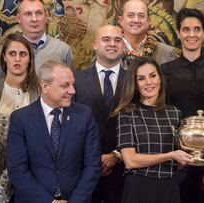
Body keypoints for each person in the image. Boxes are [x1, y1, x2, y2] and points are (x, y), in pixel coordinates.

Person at [7, 60, 101, 203]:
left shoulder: (85, 115)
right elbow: (17, 169)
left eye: (72, 84)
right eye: (65, 86)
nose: (72, 91)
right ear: (45, 86)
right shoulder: (20, 119)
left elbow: (93, 165)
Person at [161, 8, 204, 203]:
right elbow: (164, 112)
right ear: (178, 33)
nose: (192, 35)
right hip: (177, 161)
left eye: (197, 29)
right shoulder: (166, 71)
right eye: (186, 29)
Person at [114, 57, 193, 203]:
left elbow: (179, 161)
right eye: (141, 78)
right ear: (136, 85)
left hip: (169, 187)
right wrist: (169, 155)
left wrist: (197, 153)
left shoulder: (175, 113)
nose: (149, 82)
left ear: (160, 79)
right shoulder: (127, 113)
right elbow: (130, 161)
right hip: (138, 187)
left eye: (152, 75)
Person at [74, 24, 125, 203]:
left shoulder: (134, 81)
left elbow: (140, 124)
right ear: (95, 44)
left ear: (123, 46)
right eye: (106, 39)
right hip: (83, 170)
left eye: (117, 40)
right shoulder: (76, 79)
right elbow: (71, 126)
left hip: (123, 172)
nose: (112, 44)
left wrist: (117, 155)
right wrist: (93, 159)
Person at [0, 33, 39, 203]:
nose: (17, 59)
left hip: (31, 175)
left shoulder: (41, 93)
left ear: (30, 59)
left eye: (23, 54)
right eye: (12, 54)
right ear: (4, 58)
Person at [0, 0, 73, 80]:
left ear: (46, 16)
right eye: (28, 14)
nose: (34, 19)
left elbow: (70, 85)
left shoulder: (63, 50)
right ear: (18, 18)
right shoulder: (8, 49)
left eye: (39, 13)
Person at [118, 0, 177, 66]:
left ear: (149, 21)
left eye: (141, 16)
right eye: (130, 15)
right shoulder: (107, 50)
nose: (136, 20)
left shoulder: (167, 53)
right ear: (121, 21)